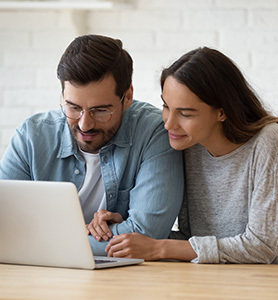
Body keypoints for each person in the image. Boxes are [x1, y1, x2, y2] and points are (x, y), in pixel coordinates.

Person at [105, 47, 278, 265]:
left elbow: (261, 247)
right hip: (212, 281)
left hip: (275, 286)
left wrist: (160, 247)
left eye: (186, 113)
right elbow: (194, 243)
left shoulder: (270, 143)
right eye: (166, 107)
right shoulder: (189, 146)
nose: (168, 123)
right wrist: (129, 233)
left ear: (222, 112)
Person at [0, 34, 184, 256]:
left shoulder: (154, 132)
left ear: (127, 97)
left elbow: (147, 234)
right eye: (73, 107)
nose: (85, 125)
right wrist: (102, 233)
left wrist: (41, 242)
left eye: (101, 110)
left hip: (126, 281)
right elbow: (6, 227)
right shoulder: (32, 136)